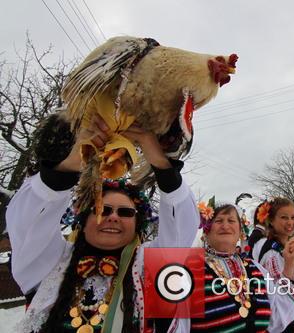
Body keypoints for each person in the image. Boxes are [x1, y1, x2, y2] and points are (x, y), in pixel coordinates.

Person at [7, 116, 199, 332]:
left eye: (125, 212)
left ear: (137, 224)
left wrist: (161, 162)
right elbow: (27, 222)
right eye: (102, 209)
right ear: (82, 219)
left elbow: (182, 224)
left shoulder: (150, 267)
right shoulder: (50, 262)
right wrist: (73, 162)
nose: (113, 217)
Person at [168, 200, 294, 332]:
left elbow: (278, 313)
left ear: (240, 231)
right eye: (218, 221)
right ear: (206, 229)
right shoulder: (189, 270)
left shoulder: (255, 269)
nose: (225, 226)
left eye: (231, 220)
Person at [252, 198, 294, 333]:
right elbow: (281, 295)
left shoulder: (286, 244)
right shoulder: (271, 251)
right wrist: (290, 263)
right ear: (271, 220)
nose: (290, 222)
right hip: (285, 321)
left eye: (293, 217)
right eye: (284, 217)